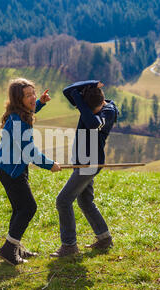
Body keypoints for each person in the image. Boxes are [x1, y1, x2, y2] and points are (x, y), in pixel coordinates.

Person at [0, 78, 61, 265]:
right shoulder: (17, 121)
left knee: (19, 208)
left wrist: (40, 102)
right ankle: (9, 249)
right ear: (18, 99)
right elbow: (29, 151)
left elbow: (31, 110)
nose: (32, 97)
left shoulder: (20, 114)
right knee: (28, 208)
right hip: (10, 170)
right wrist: (50, 165)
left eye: (33, 93)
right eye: (28, 95)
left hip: (11, 167)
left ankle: (13, 247)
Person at [50, 80, 118, 257]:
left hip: (90, 163)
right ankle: (104, 238)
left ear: (101, 104)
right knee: (85, 202)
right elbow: (67, 90)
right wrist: (92, 84)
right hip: (81, 160)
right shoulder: (90, 105)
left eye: (91, 111)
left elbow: (93, 123)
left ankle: (69, 246)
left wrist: (81, 105)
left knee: (63, 201)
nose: (87, 113)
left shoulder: (108, 112)